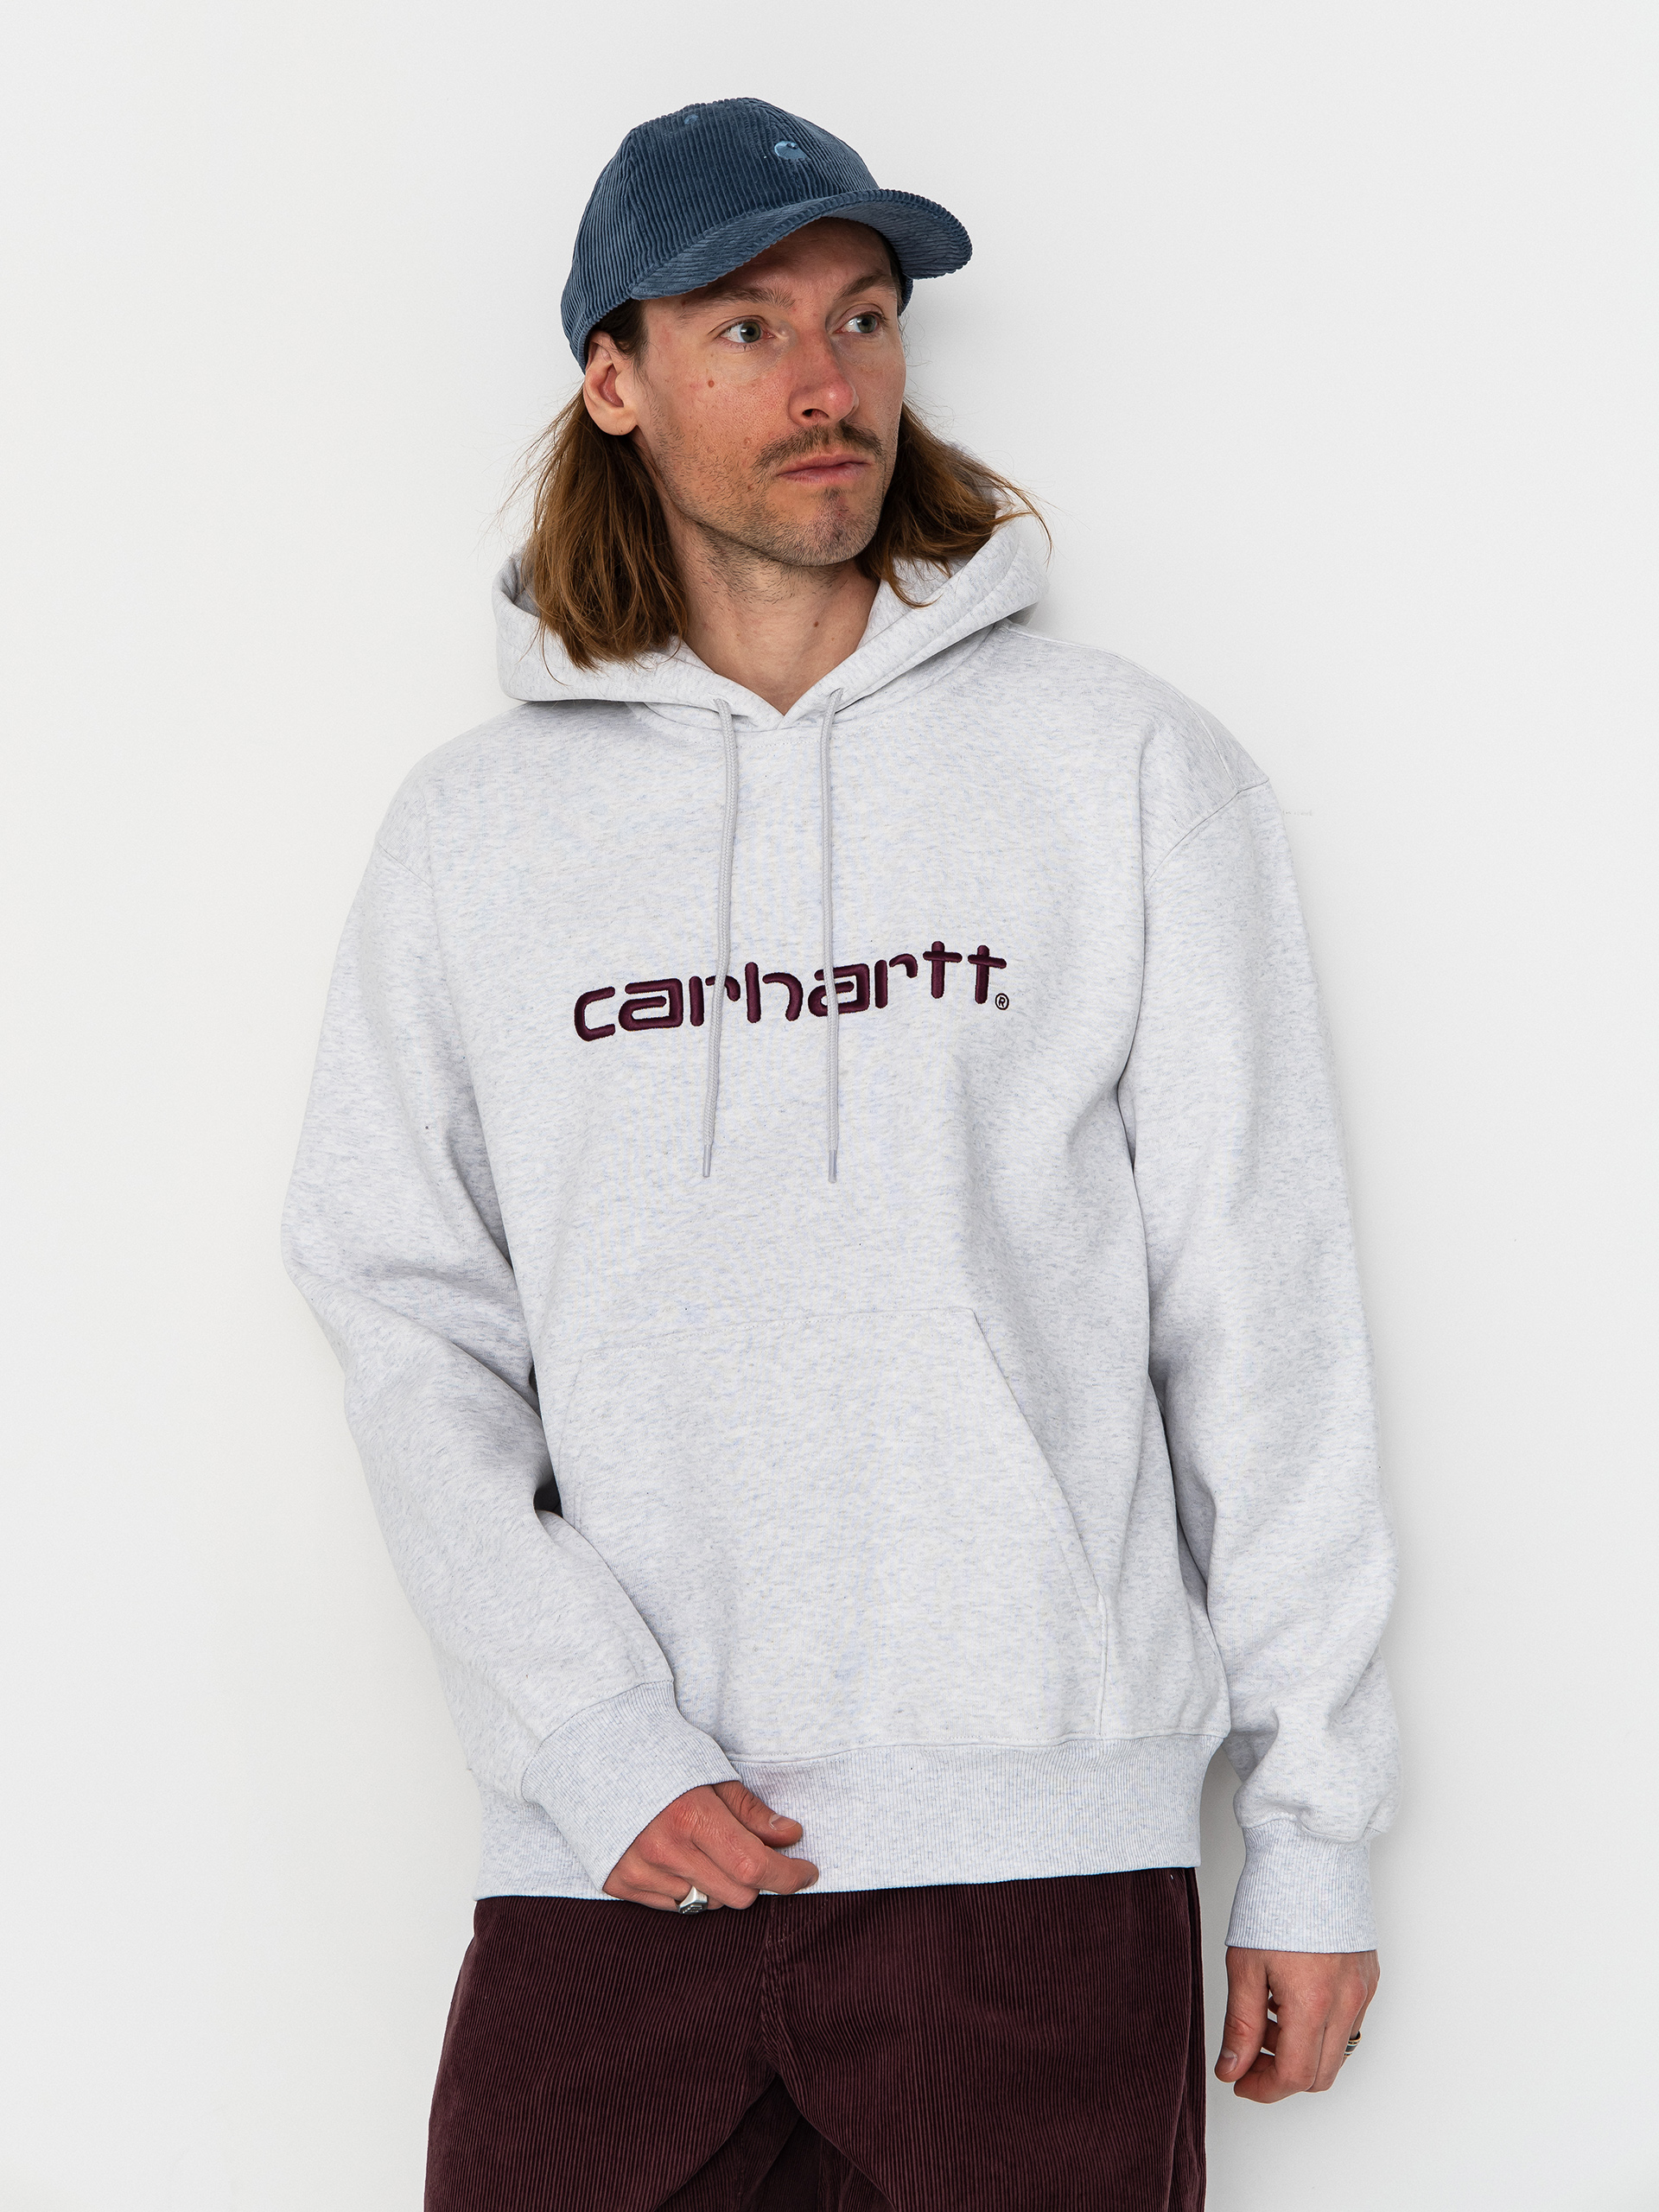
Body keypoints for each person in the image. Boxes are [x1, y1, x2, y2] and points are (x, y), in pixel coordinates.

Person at [283, 95, 1399, 2212]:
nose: (830, 382)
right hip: (617, 1867)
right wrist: (588, 1735)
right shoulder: (472, 837)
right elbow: (404, 1312)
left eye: (866, 317)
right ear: (613, 381)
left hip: (1036, 1871)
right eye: (748, 326)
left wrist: (1317, 1824)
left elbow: (1265, 1312)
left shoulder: (1123, 773)